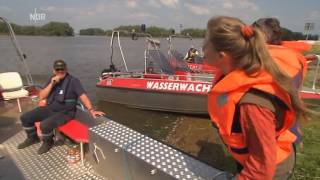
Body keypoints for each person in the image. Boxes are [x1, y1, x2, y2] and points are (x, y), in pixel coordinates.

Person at [203, 16, 307, 179]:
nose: (202, 47)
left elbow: (262, 166)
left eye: (206, 42)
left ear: (222, 55)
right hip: (250, 158)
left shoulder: (253, 104)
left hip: (271, 171)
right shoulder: (231, 75)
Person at [17, 59, 105, 154]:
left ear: (66, 69)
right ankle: (33, 138)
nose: (60, 72)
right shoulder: (52, 80)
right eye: (57, 70)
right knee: (25, 117)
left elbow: (83, 96)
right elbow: (42, 96)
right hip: (50, 109)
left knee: (44, 125)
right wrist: (52, 84)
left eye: (62, 69)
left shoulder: (73, 81)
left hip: (65, 112)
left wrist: (91, 110)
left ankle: (48, 142)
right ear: (54, 71)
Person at [252, 17, 311, 146]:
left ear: (262, 36)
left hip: (273, 135)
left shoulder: (263, 62)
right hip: (290, 130)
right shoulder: (293, 58)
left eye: (253, 35)